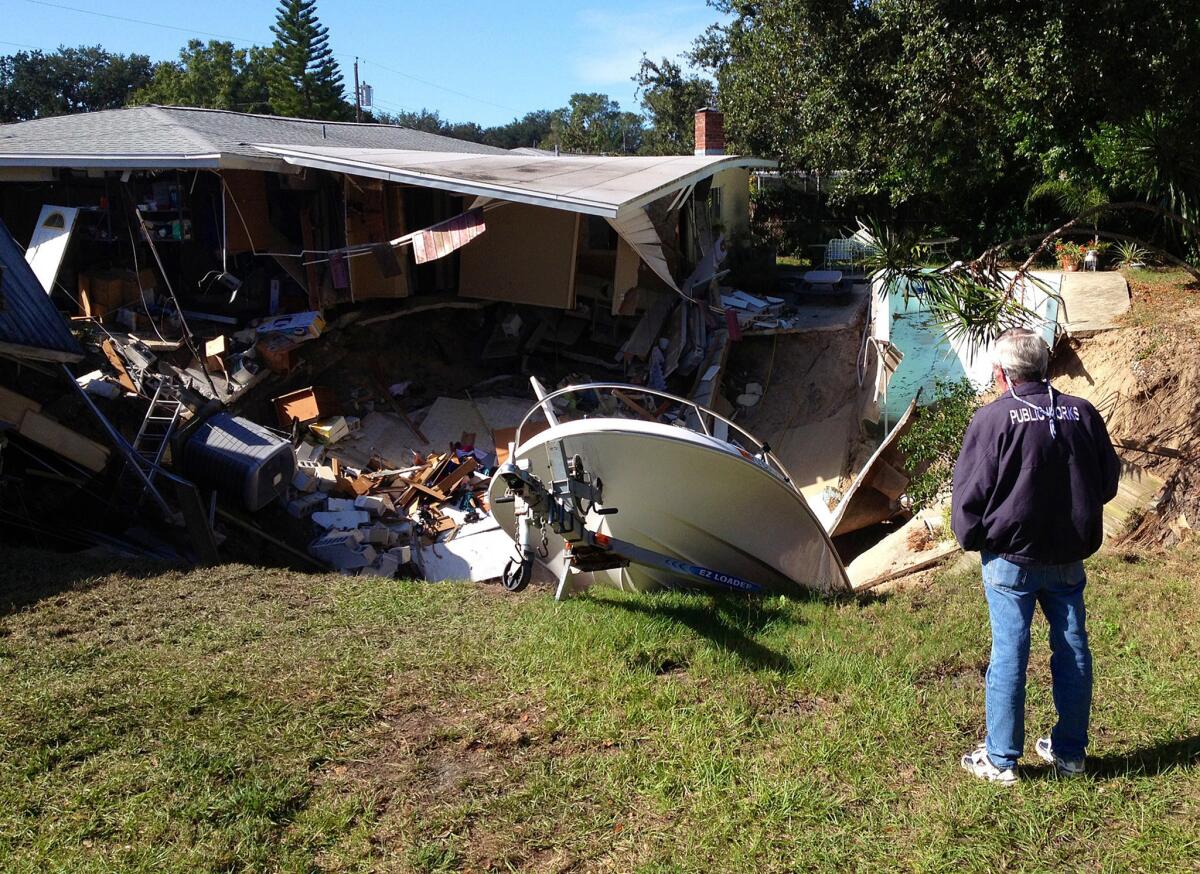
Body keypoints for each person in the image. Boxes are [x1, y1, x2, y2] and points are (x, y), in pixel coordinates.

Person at [951, 327, 1120, 784]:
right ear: (1045, 367)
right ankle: (1070, 754)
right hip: (1067, 556)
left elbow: (970, 493)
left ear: (1002, 373)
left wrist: (972, 537)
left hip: (1009, 558)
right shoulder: (1082, 413)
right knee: (1073, 648)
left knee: (1010, 651)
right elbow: (1106, 481)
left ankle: (1002, 759)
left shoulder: (992, 420)